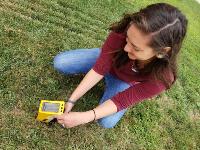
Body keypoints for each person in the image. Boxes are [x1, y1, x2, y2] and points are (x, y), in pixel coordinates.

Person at [53, 3, 188, 128]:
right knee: (61, 62)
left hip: (124, 80)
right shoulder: (125, 31)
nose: (126, 48)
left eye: (136, 48)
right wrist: (71, 101)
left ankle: (113, 83)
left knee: (106, 121)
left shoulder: (162, 78)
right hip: (108, 60)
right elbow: (99, 69)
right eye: (127, 40)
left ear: (162, 51)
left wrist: (85, 117)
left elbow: (122, 100)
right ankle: (102, 61)